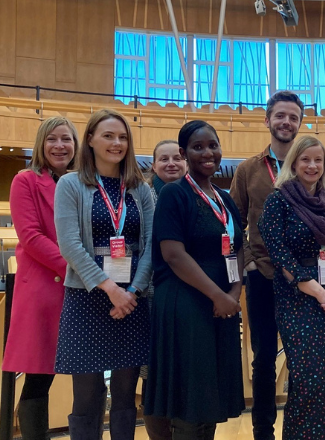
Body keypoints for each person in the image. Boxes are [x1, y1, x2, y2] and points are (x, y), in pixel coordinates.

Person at [54, 109, 154, 440]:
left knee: (126, 395)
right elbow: (69, 244)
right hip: (86, 297)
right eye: (109, 136)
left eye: (123, 137)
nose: (117, 143)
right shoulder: (70, 184)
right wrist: (111, 289)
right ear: (91, 140)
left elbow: (152, 245)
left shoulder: (140, 188)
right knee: (86, 394)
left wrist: (134, 291)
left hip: (132, 299)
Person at [145, 120, 245, 440]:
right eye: (198, 147)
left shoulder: (225, 199)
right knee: (192, 397)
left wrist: (234, 292)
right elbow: (174, 254)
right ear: (184, 153)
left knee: (210, 396)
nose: (207, 153)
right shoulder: (175, 194)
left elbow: (238, 249)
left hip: (221, 304)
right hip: (185, 303)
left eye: (212, 145)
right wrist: (219, 296)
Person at [260, 136, 325, 440]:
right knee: (307, 379)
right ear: (294, 163)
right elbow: (278, 252)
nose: (312, 166)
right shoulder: (278, 200)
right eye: (305, 159)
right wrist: (316, 290)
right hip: (298, 299)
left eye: (318, 160)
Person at [229, 90, 305, 440]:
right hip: (263, 277)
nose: (286, 122)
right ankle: (262, 431)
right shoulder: (247, 169)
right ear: (268, 120)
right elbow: (233, 223)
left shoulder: (309, 165)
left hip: (304, 280)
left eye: (293, 117)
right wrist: (248, 265)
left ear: (300, 123)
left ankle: (301, 428)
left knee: (302, 358)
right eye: (280, 116)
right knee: (262, 361)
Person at [2, 116, 78, 440]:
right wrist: (77, 269)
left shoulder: (83, 183)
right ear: (41, 144)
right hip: (45, 289)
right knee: (38, 377)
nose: (60, 146)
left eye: (66, 139)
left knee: (87, 377)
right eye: (52, 139)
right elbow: (31, 237)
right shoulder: (25, 180)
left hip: (80, 290)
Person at [142, 139, 187, 440]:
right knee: (154, 374)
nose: (171, 163)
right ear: (154, 165)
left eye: (177, 158)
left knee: (183, 370)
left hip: (189, 297)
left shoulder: (197, 195)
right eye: (164, 159)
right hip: (151, 295)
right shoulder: (144, 196)